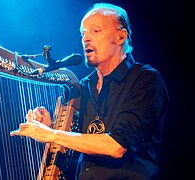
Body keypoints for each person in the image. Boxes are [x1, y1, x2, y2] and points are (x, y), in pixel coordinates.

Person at [10, 2, 169, 180]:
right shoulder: (84, 86)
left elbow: (116, 146)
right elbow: (79, 140)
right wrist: (50, 126)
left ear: (121, 36)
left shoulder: (145, 80)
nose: (86, 38)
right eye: (83, 33)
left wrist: (51, 134)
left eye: (96, 31)